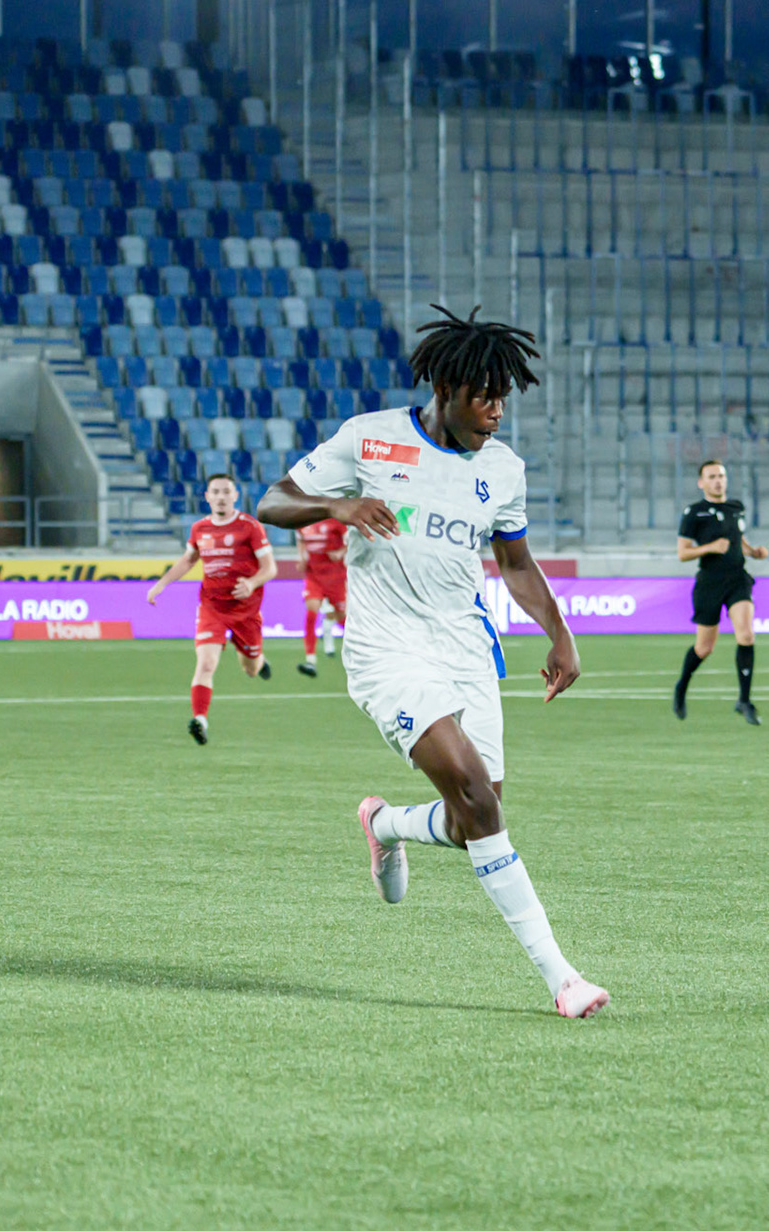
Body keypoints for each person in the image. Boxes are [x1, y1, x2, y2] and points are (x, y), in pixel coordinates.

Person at [256, 305, 609, 1020]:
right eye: (484, 396)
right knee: (478, 798)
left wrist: (560, 633)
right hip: (388, 649)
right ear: (445, 389)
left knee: (477, 810)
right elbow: (273, 500)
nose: (496, 411)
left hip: (466, 650)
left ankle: (384, 825)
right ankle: (562, 978)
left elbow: (514, 563)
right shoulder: (370, 438)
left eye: (503, 397)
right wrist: (341, 507)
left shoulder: (503, 470)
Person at [146, 473, 275, 744]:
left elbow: (270, 568)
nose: (220, 496)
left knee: (250, 668)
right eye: (215, 491)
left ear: (235, 495)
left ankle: (260, 662)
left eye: (226, 491)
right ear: (206, 496)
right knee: (206, 663)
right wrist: (161, 584)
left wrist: (251, 584)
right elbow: (188, 560)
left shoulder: (250, 527)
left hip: (246, 610)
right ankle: (200, 719)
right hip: (211, 607)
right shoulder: (199, 529)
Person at [672, 460, 769, 724]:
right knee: (704, 648)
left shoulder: (736, 508)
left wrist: (752, 551)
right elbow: (683, 553)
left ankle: (744, 701)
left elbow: (738, 539)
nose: (718, 480)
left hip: (738, 579)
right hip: (709, 583)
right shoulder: (694, 512)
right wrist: (710, 547)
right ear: (701, 482)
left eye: (721, 476)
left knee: (746, 635)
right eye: (712, 476)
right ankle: (681, 686)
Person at [295, 515, 348, 678]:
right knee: (311, 612)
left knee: (341, 619)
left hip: (336, 577)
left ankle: (366, 650)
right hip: (314, 576)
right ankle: (310, 660)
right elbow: (301, 540)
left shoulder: (336, 521)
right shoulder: (303, 521)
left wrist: (341, 552)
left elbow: (352, 540)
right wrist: (301, 558)